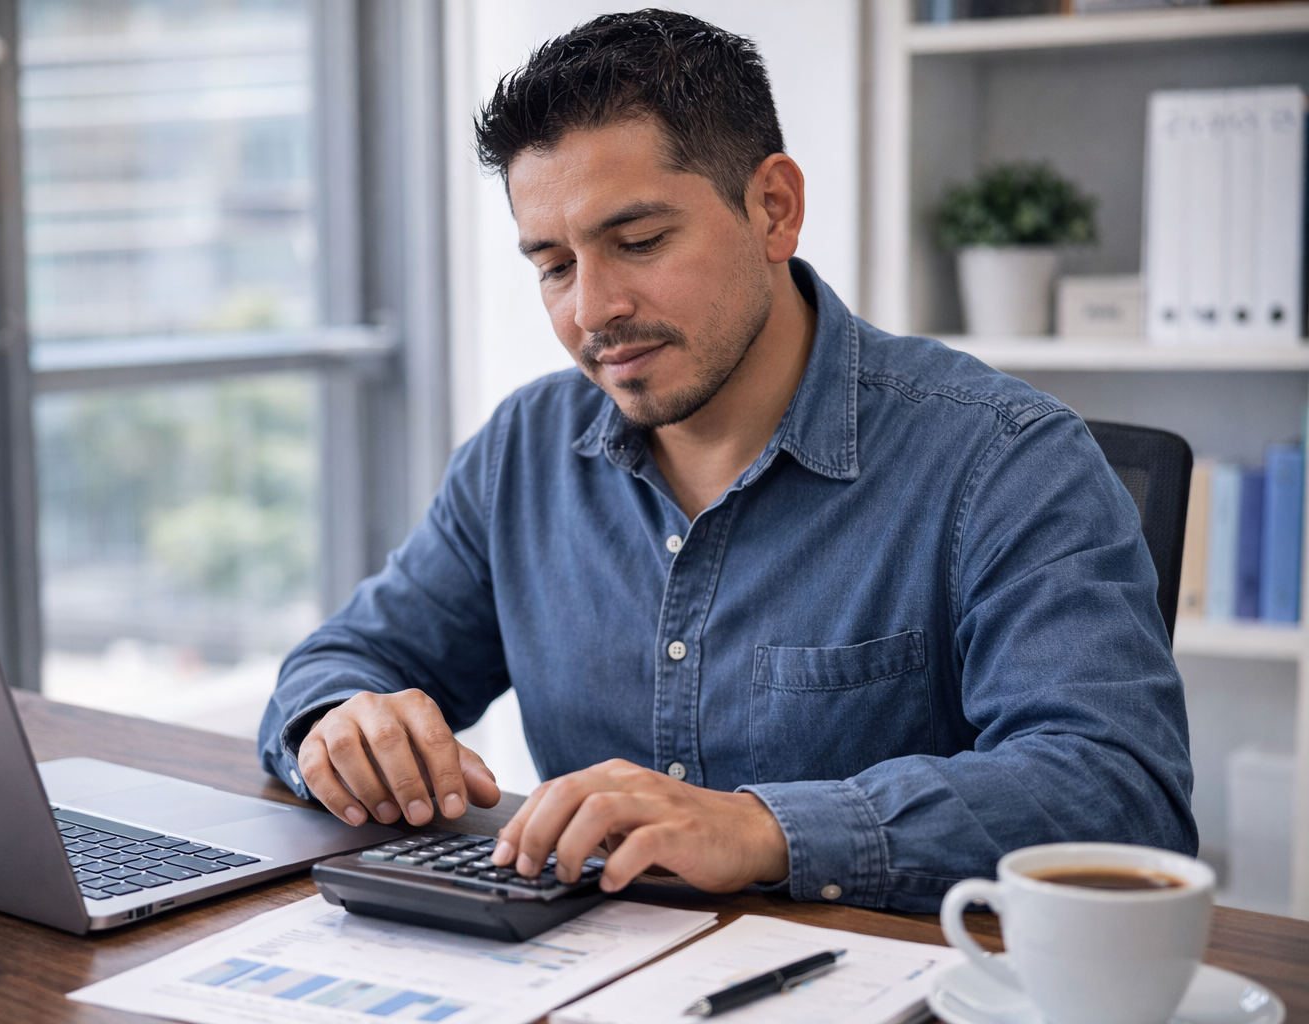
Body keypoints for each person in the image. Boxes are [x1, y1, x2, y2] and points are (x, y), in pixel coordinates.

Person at [259, 9, 1196, 912]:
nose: (592, 310)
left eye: (639, 242)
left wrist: (763, 829)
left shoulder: (1004, 460)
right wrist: (338, 723)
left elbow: (1121, 793)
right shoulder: (523, 453)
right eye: (553, 264)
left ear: (773, 209)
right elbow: (345, 661)